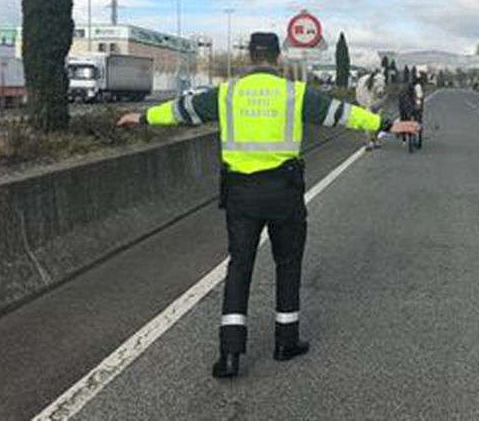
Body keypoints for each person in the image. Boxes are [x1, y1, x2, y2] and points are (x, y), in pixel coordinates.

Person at [118, 33, 418, 379]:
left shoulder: (227, 93)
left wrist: (141, 118)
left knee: (240, 265)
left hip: (240, 194)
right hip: (283, 192)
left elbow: (183, 110)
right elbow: (344, 114)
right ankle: (285, 341)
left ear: (249, 57)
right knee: (288, 264)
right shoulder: (294, 93)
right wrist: (388, 124)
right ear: (277, 58)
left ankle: (230, 354)